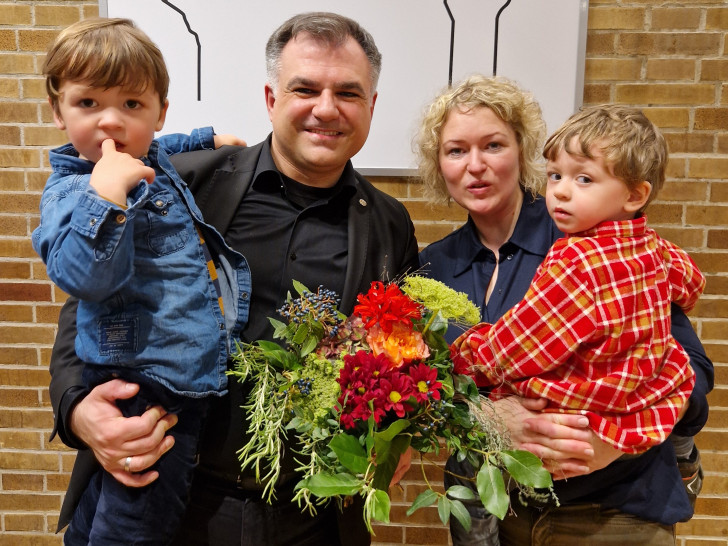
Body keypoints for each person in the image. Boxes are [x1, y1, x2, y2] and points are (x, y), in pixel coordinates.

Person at [48, 12, 419, 546]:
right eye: (305, 88)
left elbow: (401, 352)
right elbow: (88, 299)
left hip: (314, 517)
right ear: (271, 99)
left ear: (371, 107)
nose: (326, 108)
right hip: (174, 495)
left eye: (349, 93)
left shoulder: (388, 222)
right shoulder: (187, 181)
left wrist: (398, 431)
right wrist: (79, 412)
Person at [417, 75, 712, 545]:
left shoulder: (589, 235)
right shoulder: (432, 267)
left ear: (522, 149)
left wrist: (611, 439)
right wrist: (488, 418)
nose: (475, 166)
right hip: (498, 513)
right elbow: (423, 393)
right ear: (438, 163)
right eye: (456, 151)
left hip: (612, 510)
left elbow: (694, 373)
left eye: (493, 145)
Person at [33, 18, 249, 545]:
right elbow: (79, 276)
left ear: (158, 112)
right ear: (58, 111)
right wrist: (104, 200)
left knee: (100, 514)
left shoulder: (148, 154)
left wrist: (208, 138)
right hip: (146, 386)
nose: (111, 123)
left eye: (132, 105)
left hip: (175, 372)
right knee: (139, 523)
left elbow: (165, 146)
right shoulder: (72, 193)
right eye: (89, 104)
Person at [451, 103, 703, 456]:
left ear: (635, 195)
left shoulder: (576, 259)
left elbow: (523, 344)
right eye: (555, 176)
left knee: (508, 388)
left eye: (583, 179)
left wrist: (466, 357)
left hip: (585, 409)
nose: (562, 192)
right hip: (640, 398)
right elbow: (691, 284)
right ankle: (683, 453)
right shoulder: (653, 246)